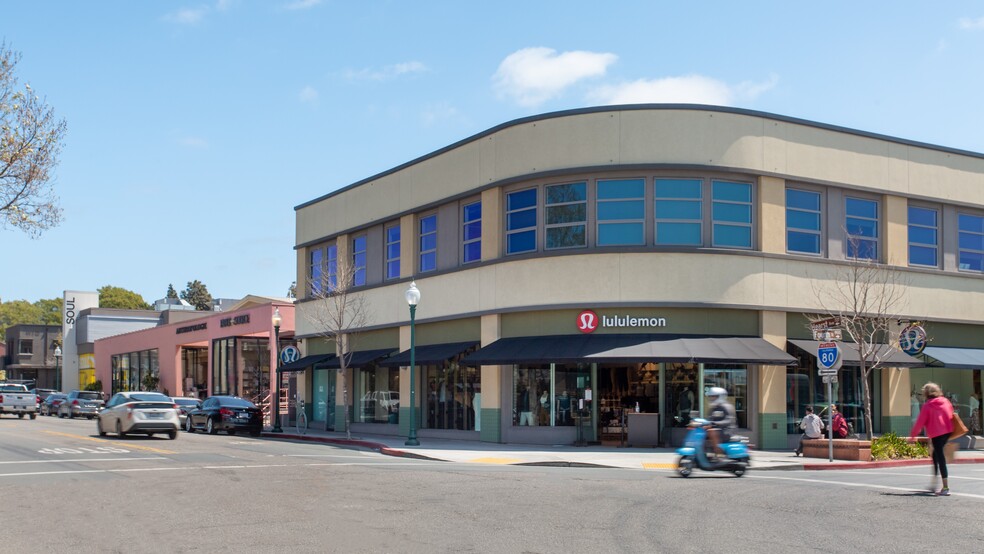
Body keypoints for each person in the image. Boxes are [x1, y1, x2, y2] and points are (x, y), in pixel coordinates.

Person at [910, 382, 955, 496]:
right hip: (947, 432)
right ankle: (934, 483)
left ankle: (945, 487)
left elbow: (920, 422)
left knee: (940, 458)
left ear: (926, 393)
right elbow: (950, 415)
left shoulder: (928, 405)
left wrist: (913, 436)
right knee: (935, 455)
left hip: (936, 434)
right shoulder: (945, 401)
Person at [705, 386, 736, 455]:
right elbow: (709, 419)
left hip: (726, 430)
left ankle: (719, 453)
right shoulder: (713, 408)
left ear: (720, 396)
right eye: (710, 396)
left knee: (712, 431)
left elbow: (729, 421)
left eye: (714, 396)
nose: (711, 398)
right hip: (718, 429)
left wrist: (715, 423)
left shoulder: (726, 407)